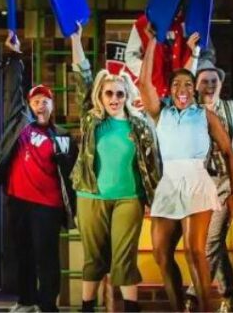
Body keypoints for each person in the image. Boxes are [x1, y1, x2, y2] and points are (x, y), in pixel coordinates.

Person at [137, 24, 233, 313]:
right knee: (161, 253)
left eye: (187, 84)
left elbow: (229, 153)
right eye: (176, 85)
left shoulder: (205, 115)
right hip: (169, 183)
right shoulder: (161, 114)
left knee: (195, 251)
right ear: (169, 90)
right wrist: (152, 42)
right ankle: (178, 308)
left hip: (196, 182)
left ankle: (205, 308)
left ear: (194, 89)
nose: (181, 89)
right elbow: (144, 84)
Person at [0, 33, 76, 312]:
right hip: (18, 201)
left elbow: (71, 173)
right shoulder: (20, 127)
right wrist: (14, 57)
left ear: (52, 106)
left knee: (46, 258)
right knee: (22, 255)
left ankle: (47, 306)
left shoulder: (62, 136)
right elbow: (13, 91)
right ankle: (26, 301)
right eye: (36, 101)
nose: (41, 105)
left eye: (45, 101)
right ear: (29, 106)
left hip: (48, 206)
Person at [69, 24, 160, 313]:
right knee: (94, 258)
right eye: (108, 93)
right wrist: (76, 40)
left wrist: (154, 198)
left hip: (129, 199)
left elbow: (154, 165)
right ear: (100, 95)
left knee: (124, 259)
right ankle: (87, 308)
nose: (114, 99)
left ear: (126, 95)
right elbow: (82, 76)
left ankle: (131, 309)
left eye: (119, 94)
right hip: (91, 196)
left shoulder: (140, 125)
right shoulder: (91, 119)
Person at [186, 61, 233, 313]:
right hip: (199, 185)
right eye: (204, 81)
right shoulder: (188, 112)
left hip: (226, 181)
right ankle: (231, 297)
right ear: (196, 85)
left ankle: (193, 296)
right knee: (215, 241)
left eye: (214, 81)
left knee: (212, 239)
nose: (210, 85)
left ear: (221, 84)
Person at [123, 11, 212, 99]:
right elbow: (130, 57)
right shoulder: (143, 23)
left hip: (183, 93)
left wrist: (192, 72)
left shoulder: (194, 21)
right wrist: (150, 73)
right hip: (155, 94)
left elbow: (207, 56)